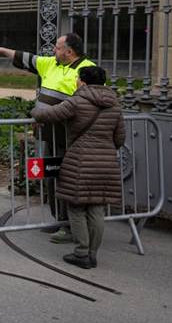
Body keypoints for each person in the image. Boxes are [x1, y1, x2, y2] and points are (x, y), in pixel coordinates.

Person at [0, 33, 95, 243]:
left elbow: (90, 105)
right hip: (48, 134)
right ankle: (59, 218)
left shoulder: (87, 70)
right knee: (50, 176)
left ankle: (70, 226)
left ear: (69, 51)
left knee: (67, 179)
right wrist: (3, 51)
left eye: (57, 47)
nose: (53, 50)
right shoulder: (51, 64)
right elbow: (27, 58)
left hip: (69, 136)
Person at [29, 66, 125, 269]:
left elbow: (49, 114)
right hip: (106, 162)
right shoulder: (114, 104)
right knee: (97, 207)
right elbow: (120, 138)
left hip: (80, 161)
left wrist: (34, 111)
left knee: (76, 206)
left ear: (82, 81)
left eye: (77, 79)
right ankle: (92, 255)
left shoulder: (77, 101)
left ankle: (81, 252)